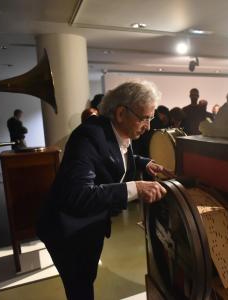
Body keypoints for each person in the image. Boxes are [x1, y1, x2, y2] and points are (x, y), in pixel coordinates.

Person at [37, 81, 170, 299]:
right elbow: (77, 194)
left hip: (88, 224)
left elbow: (116, 155)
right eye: (144, 118)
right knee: (79, 285)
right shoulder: (88, 136)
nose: (148, 125)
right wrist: (135, 187)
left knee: (86, 279)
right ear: (120, 113)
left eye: (151, 118)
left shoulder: (117, 131)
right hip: (67, 229)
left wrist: (143, 161)